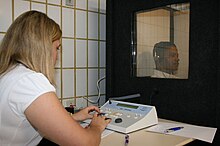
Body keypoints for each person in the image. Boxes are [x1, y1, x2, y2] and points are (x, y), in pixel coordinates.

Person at [0, 10, 111, 146]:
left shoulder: (9, 74)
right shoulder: (30, 82)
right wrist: (96, 127)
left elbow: (32, 120)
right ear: (43, 48)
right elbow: (85, 143)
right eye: (57, 48)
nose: (57, 55)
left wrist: (74, 117)